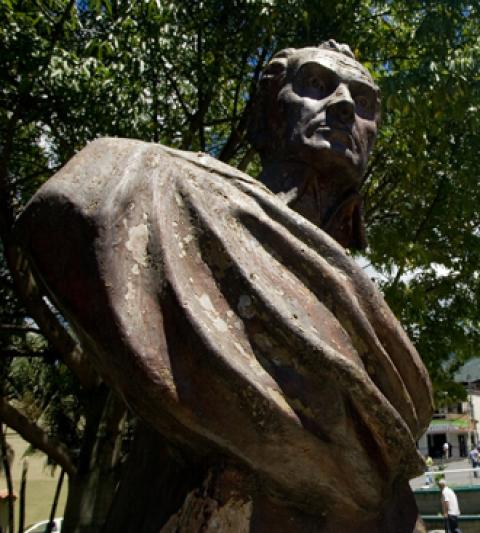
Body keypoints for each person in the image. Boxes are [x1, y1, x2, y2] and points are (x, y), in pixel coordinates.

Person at [16, 41, 433, 532]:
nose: (344, 105)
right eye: (317, 85)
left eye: (364, 103)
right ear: (267, 113)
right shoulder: (146, 183)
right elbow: (67, 211)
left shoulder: (360, 302)